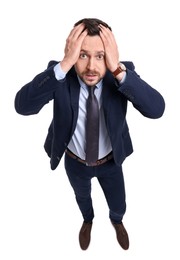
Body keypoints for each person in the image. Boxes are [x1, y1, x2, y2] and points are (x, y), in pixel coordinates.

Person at [14, 18, 165, 251]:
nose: (92, 67)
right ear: (72, 53)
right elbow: (22, 106)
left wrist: (117, 69)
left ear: (111, 54)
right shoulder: (60, 76)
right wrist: (65, 64)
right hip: (75, 163)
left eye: (100, 55)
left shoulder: (121, 75)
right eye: (83, 55)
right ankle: (88, 220)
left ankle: (117, 220)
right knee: (82, 197)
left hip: (111, 162)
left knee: (118, 202)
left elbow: (157, 110)